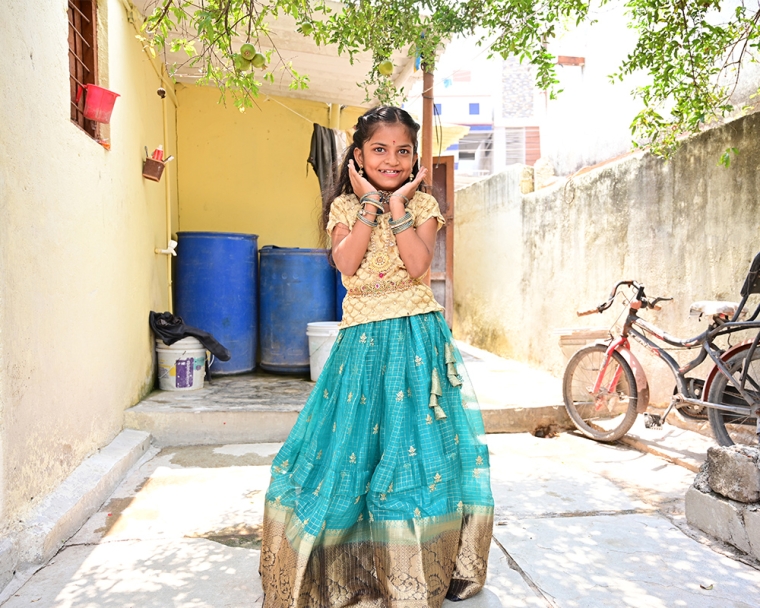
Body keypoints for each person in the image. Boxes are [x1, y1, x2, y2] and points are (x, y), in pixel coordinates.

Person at [260, 106, 494, 607]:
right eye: (379, 150)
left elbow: (415, 265)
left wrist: (398, 208)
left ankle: (413, 567)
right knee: (352, 448)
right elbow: (345, 262)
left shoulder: (425, 206)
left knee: (415, 451)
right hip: (362, 342)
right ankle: (355, 565)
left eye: (402, 150)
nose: (392, 159)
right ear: (359, 156)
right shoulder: (344, 209)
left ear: (414, 158)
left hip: (416, 338)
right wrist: (368, 205)